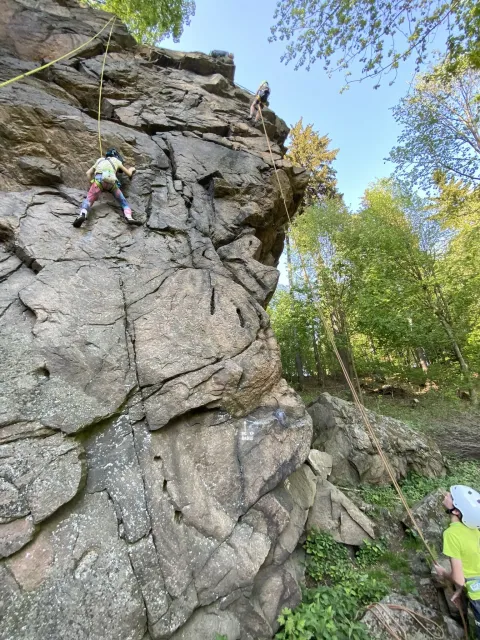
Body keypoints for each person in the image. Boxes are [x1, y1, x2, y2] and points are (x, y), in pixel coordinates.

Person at [434, 485, 480, 638]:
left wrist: (443, 573)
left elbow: (459, 579)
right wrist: (460, 591)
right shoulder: (475, 531)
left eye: (451, 497)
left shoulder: (451, 534)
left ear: (455, 511)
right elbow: (474, 564)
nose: (447, 494)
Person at [73, 148, 139, 228]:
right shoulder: (116, 161)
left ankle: (82, 214)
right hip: (112, 183)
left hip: (98, 182)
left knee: (89, 200)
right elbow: (129, 174)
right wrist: (132, 169)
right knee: (123, 202)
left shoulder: (99, 160)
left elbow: (88, 173)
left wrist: (92, 183)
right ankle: (129, 217)